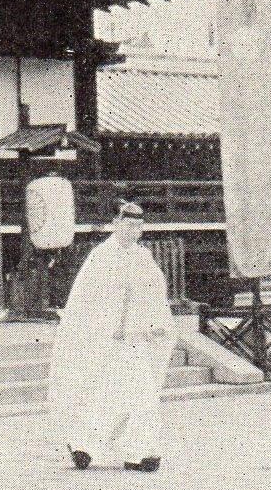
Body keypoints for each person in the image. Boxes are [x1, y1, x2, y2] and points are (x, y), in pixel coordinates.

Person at [48, 201, 177, 471]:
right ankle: (82, 444)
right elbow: (85, 299)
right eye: (129, 225)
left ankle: (141, 452)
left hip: (136, 337)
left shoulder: (143, 257)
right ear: (116, 225)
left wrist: (157, 322)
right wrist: (105, 327)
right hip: (103, 338)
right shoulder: (101, 256)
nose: (134, 231)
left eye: (139, 227)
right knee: (102, 394)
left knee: (141, 394)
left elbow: (155, 293)